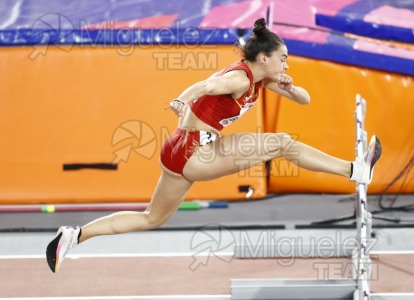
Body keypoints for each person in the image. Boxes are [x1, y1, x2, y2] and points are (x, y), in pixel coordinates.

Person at [46, 18, 382, 273]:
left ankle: (75, 235)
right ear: (263, 58)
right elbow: (207, 84)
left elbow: (306, 100)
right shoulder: (239, 78)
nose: (287, 64)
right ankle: (355, 170)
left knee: (152, 217)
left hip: (177, 151)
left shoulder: (262, 77)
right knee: (280, 143)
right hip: (195, 150)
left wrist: (288, 85)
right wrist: (181, 99)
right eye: (283, 59)